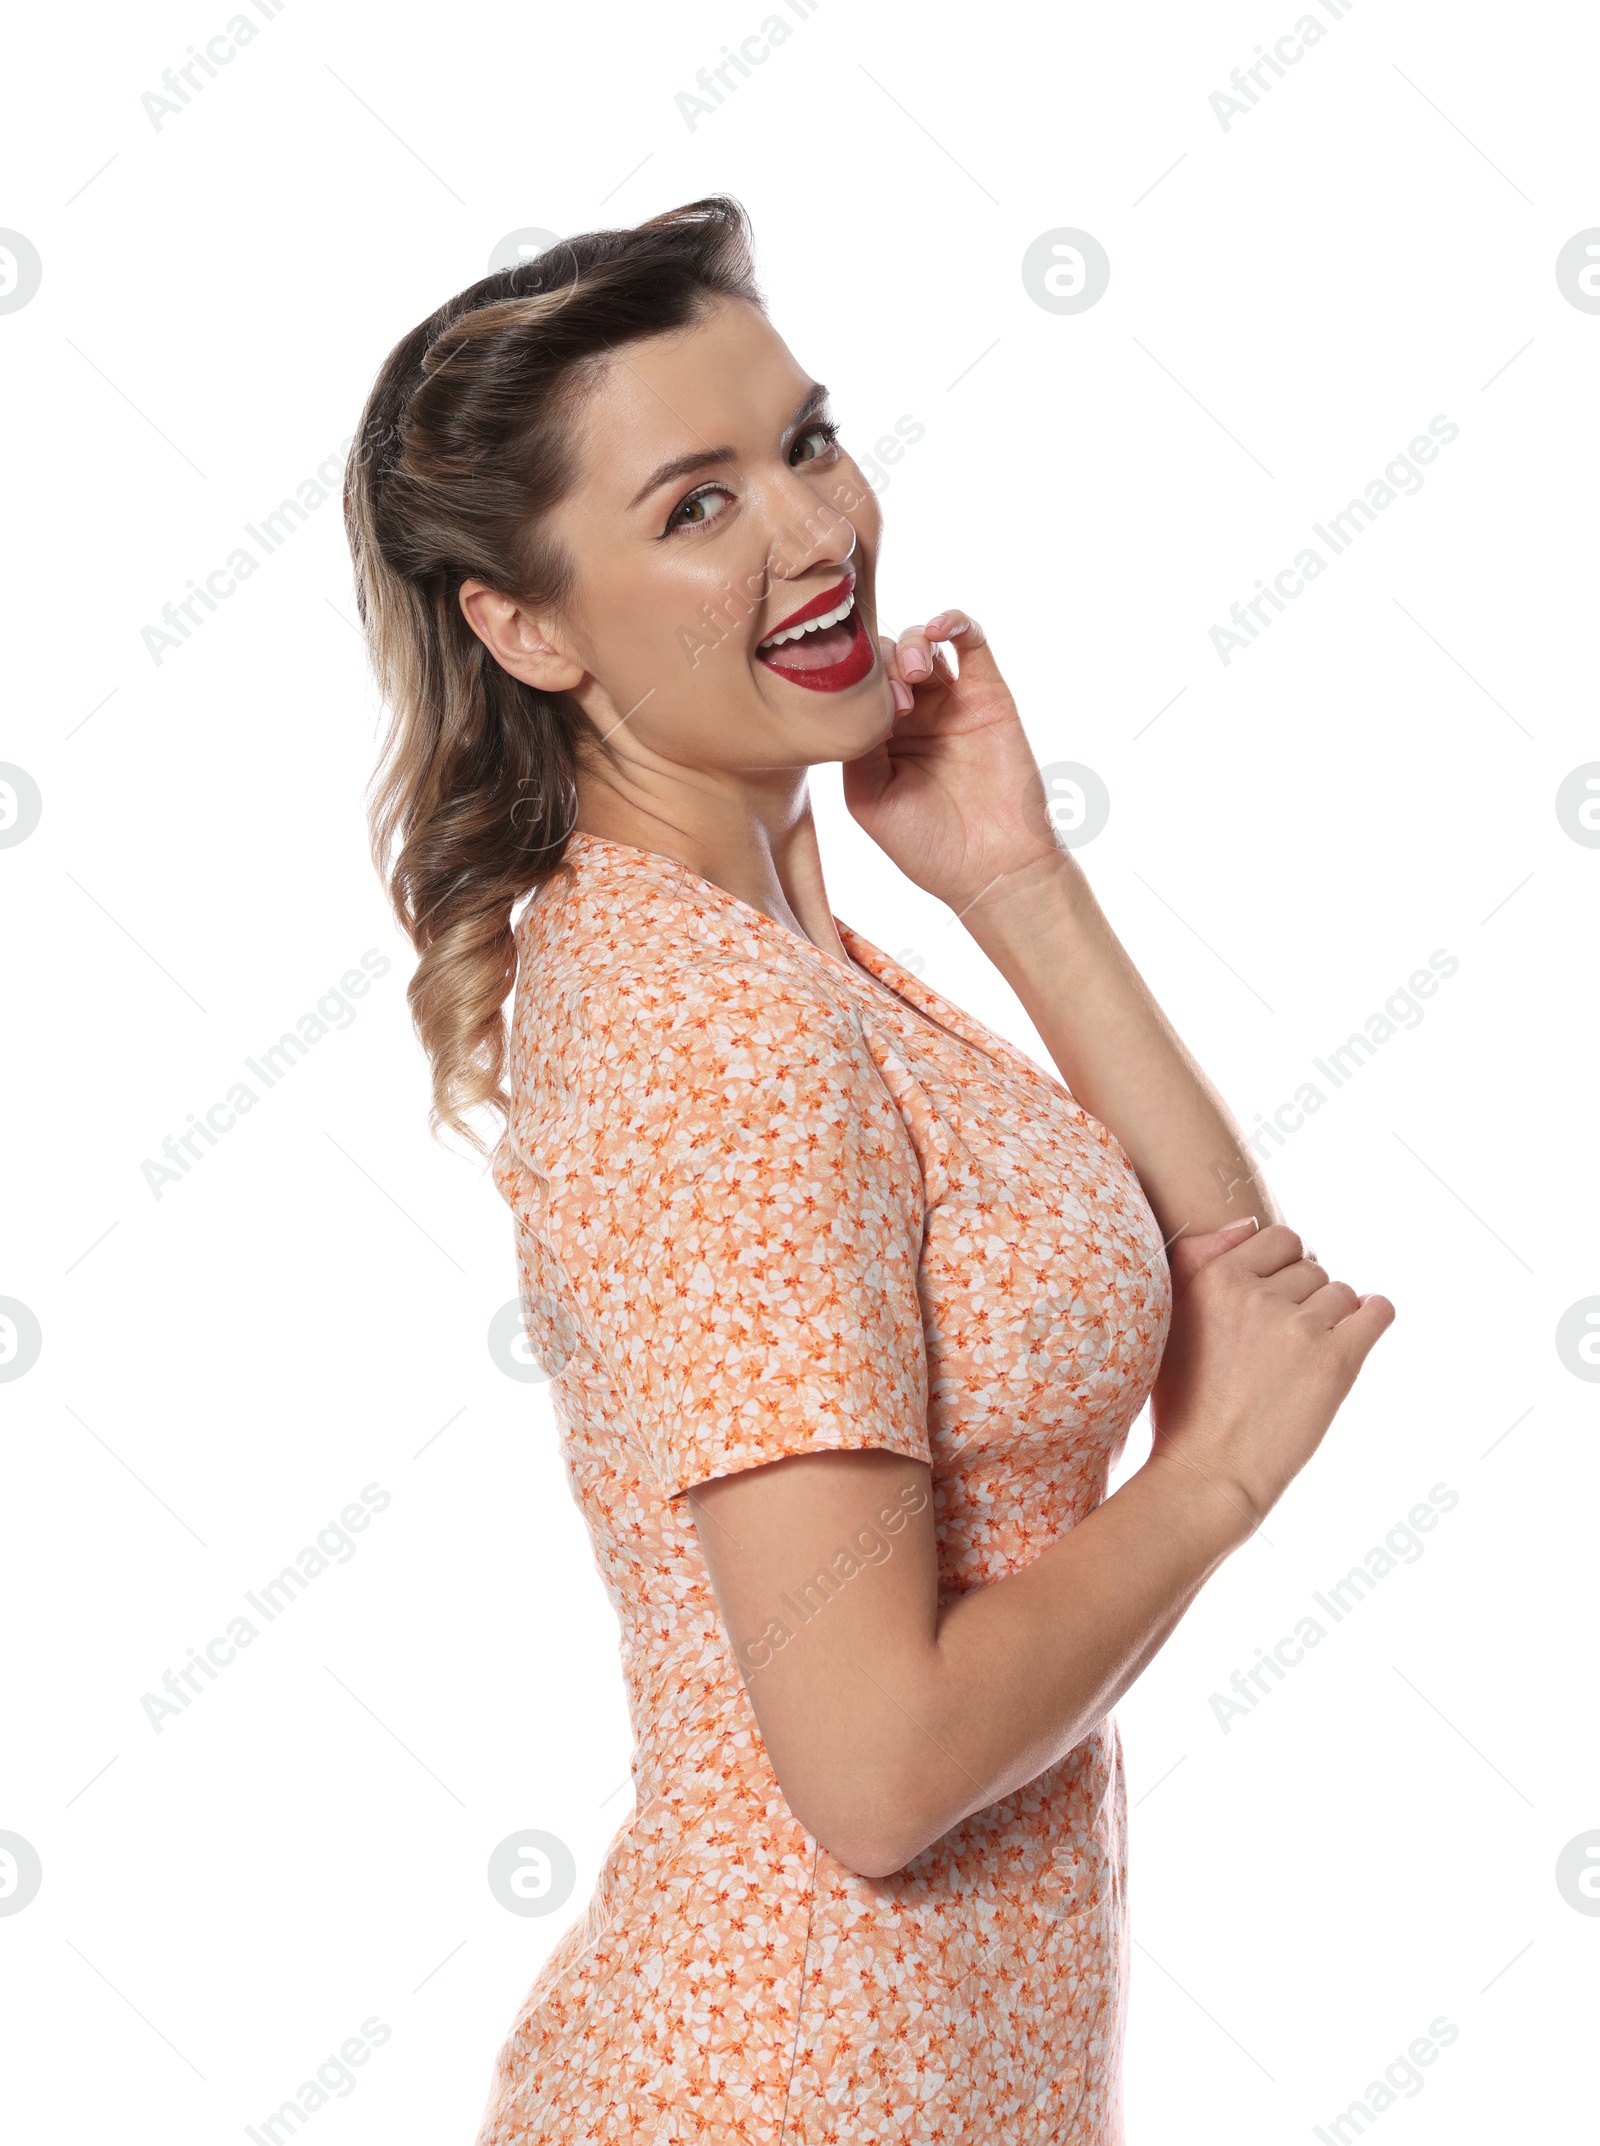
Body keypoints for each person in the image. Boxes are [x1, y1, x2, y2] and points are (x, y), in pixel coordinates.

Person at [343, 194, 1394, 2146]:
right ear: (523, 622)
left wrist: (1010, 873)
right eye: (693, 506)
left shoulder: (785, 943)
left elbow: (1231, 1283)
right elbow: (876, 1764)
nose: (815, 533)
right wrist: (1223, 1474)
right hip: (777, 2087)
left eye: (803, 442)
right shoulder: (702, 1025)